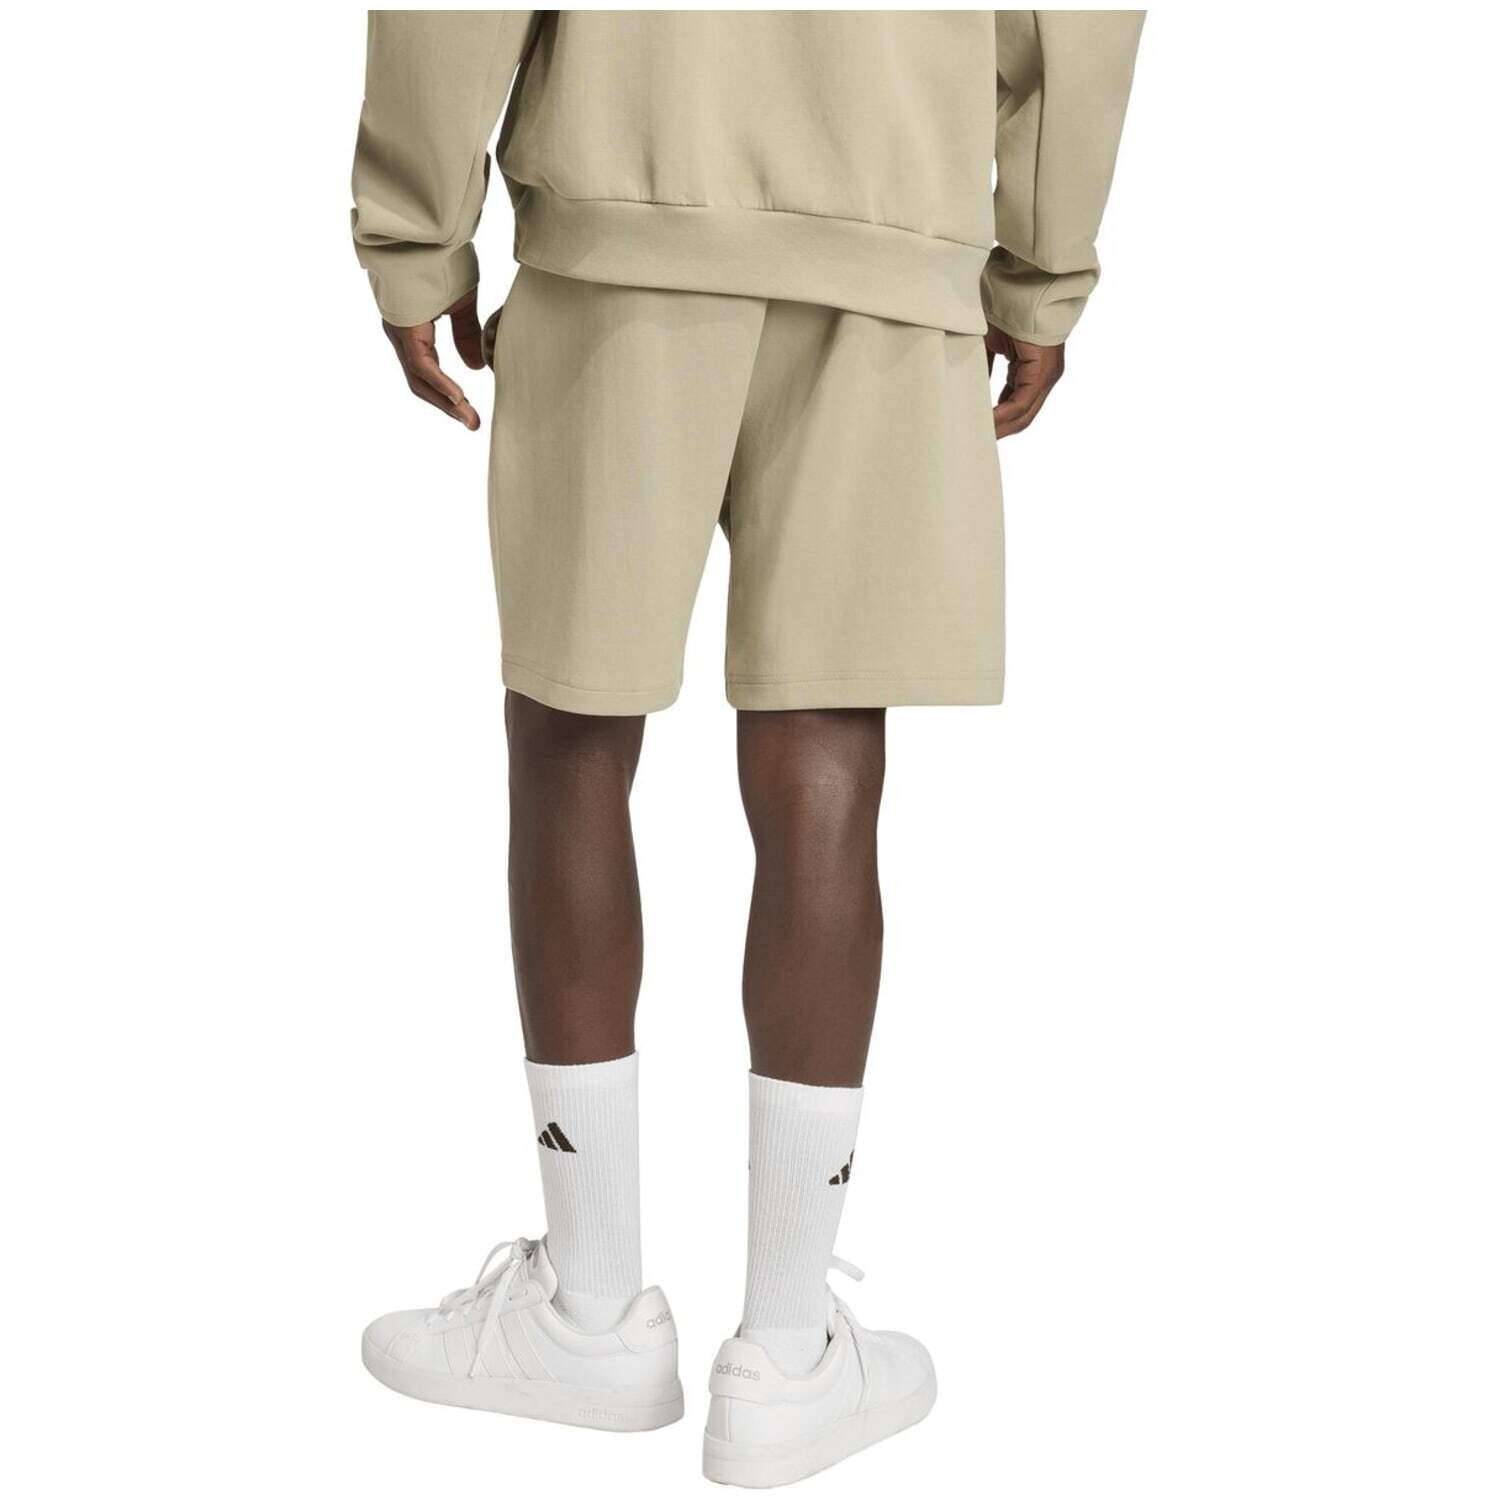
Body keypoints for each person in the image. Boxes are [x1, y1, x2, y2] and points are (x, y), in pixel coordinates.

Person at [351, 10, 1141, 1487]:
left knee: (572, 732)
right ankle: (785, 1358)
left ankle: (591, 1316)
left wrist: (416, 232)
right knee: (825, 751)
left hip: (621, 232)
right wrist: (1041, 272)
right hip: (893, 243)